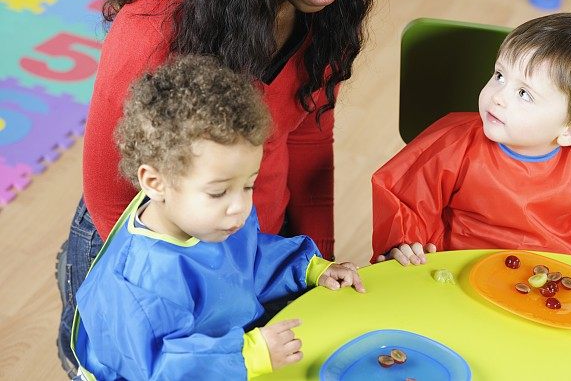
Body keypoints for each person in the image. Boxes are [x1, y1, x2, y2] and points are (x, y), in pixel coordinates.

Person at [57, 0, 388, 375]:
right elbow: (112, 191)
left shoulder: (326, 13)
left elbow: (308, 142)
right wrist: (206, 281)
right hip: (155, 254)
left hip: (244, 251)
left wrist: (311, 265)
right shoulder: (153, 30)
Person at [71, 55, 366, 379]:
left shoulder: (215, 218)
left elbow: (251, 260)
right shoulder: (143, 281)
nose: (239, 205)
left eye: (248, 185)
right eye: (218, 192)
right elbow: (164, 368)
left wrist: (309, 268)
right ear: (156, 183)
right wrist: (249, 353)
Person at [371, 12, 571, 284]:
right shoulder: (452, 143)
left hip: (553, 282)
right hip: (460, 274)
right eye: (499, 76)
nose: (497, 97)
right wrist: (407, 244)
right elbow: (406, 199)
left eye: (524, 94)